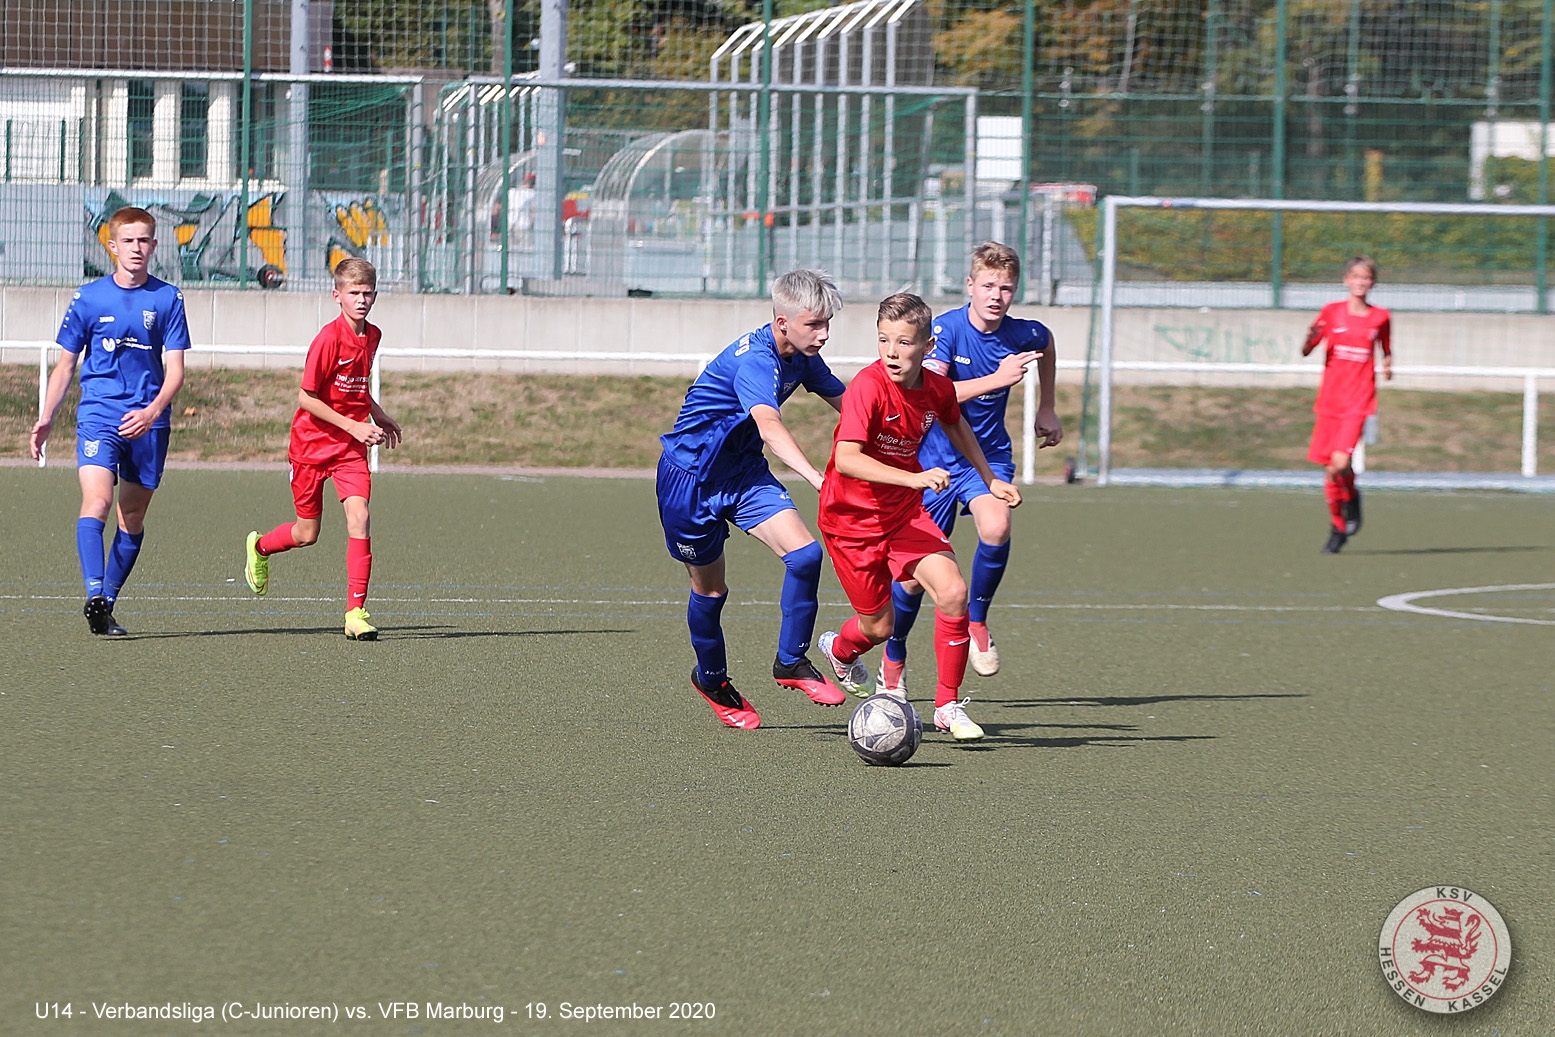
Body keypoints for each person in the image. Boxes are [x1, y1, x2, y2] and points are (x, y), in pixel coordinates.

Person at [815, 292, 1022, 742]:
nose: (891, 351)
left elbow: (955, 423)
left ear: (927, 347)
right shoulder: (868, 387)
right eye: (884, 339)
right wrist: (912, 479)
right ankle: (841, 649)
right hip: (851, 522)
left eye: (904, 341)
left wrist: (988, 478)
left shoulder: (936, 387)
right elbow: (847, 458)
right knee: (880, 626)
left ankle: (947, 706)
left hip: (904, 515)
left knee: (953, 591)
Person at [657, 269, 850, 730]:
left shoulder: (803, 356)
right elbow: (769, 424)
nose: (823, 335)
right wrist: (818, 478)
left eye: (827, 324)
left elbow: (849, 402)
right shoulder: (757, 361)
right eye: (814, 325)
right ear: (782, 321)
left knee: (805, 555)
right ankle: (712, 680)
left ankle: (791, 662)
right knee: (711, 591)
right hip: (690, 482)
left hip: (743, 474)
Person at [881, 242, 1061, 694]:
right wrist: (999, 379)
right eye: (988, 286)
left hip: (989, 457)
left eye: (1006, 288)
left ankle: (977, 620)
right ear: (970, 285)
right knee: (912, 584)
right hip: (933, 462)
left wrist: (1048, 407)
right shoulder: (944, 330)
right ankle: (895, 653)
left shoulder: (1024, 334)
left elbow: (1048, 343)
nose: (996, 296)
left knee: (997, 526)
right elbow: (935, 394)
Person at [30, 206, 190, 636]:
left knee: (131, 519)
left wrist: (152, 412)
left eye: (145, 241)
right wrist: (47, 417)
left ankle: (107, 605)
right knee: (97, 502)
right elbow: (65, 366)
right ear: (112, 245)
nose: (137, 248)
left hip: (149, 422)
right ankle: (94, 591)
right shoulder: (88, 297)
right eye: (129, 241)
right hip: (99, 414)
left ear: (154, 246)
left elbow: (175, 371)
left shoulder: (168, 298)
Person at [242, 257, 402, 639]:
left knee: (359, 517)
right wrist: (354, 425)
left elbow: (356, 391)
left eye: (367, 293)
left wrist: (378, 415)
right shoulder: (328, 339)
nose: (361, 300)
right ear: (337, 296)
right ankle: (260, 548)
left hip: (349, 448)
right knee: (306, 534)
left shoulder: (373, 336)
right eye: (353, 293)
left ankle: (355, 613)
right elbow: (306, 397)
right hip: (311, 447)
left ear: (375, 296)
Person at [1303, 255, 1391, 554]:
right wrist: (1310, 338)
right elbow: (1307, 349)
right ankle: (1339, 523)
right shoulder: (1331, 312)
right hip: (1330, 402)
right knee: (1332, 470)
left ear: (1372, 283)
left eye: (1366, 278)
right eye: (1355, 277)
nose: (1360, 282)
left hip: (1358, 402)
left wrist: (1389, 365)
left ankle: (1348, 504)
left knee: (1338, 464)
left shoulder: (1381, 317)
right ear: (1346, 280)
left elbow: (1386, 348)